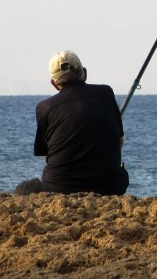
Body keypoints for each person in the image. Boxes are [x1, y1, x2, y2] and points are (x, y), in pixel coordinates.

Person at [33, 50, 129, 195]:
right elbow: (119, 141)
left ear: (53, 83)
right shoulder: (105, 93)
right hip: (110, 187)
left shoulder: (44, 107)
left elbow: (46, 154)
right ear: (84, 72)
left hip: (59, 188)